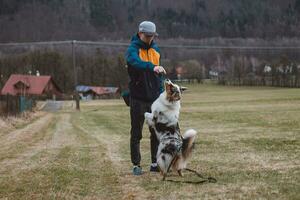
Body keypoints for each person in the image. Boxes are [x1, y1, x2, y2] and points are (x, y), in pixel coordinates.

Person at [125, 21, 166, 175]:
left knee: (155, 132)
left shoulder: (156, 50)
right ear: (140, 33)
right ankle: (136, 164)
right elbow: (135, 62)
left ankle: (155, 163)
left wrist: (161, 92)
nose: (150, 39)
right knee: (136, 133)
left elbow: (158, 77)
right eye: (147, 36)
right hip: (138, 98)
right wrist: (151, 66)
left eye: (152, 36)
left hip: (154, 98)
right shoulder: (132, 50)